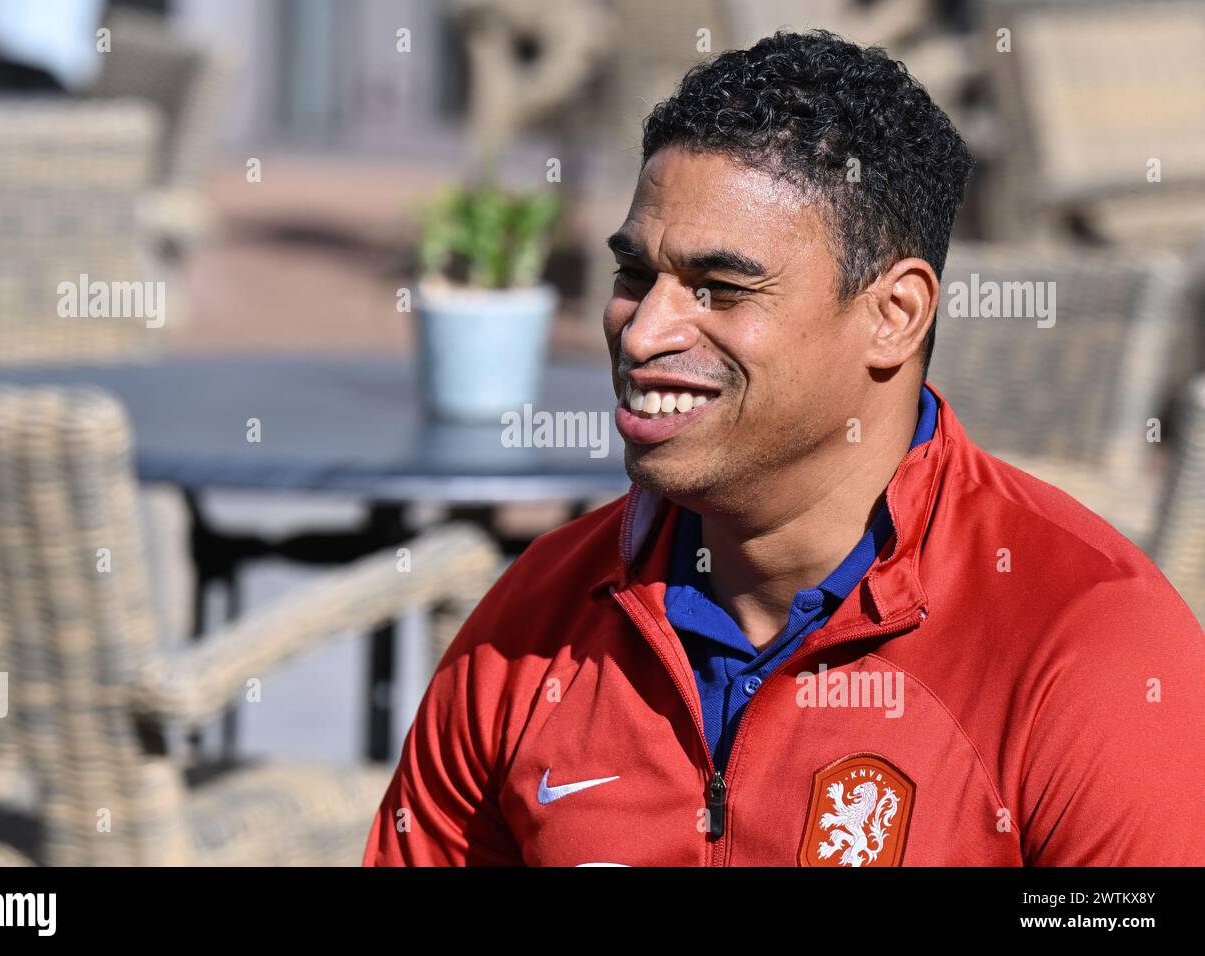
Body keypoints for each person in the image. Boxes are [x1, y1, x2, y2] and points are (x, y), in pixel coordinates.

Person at [364, 30, 1205, 866]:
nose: (643, 330)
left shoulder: (1087, 647)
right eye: (634, 276)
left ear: (895, 315)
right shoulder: (534, 625)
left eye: (720, 288)